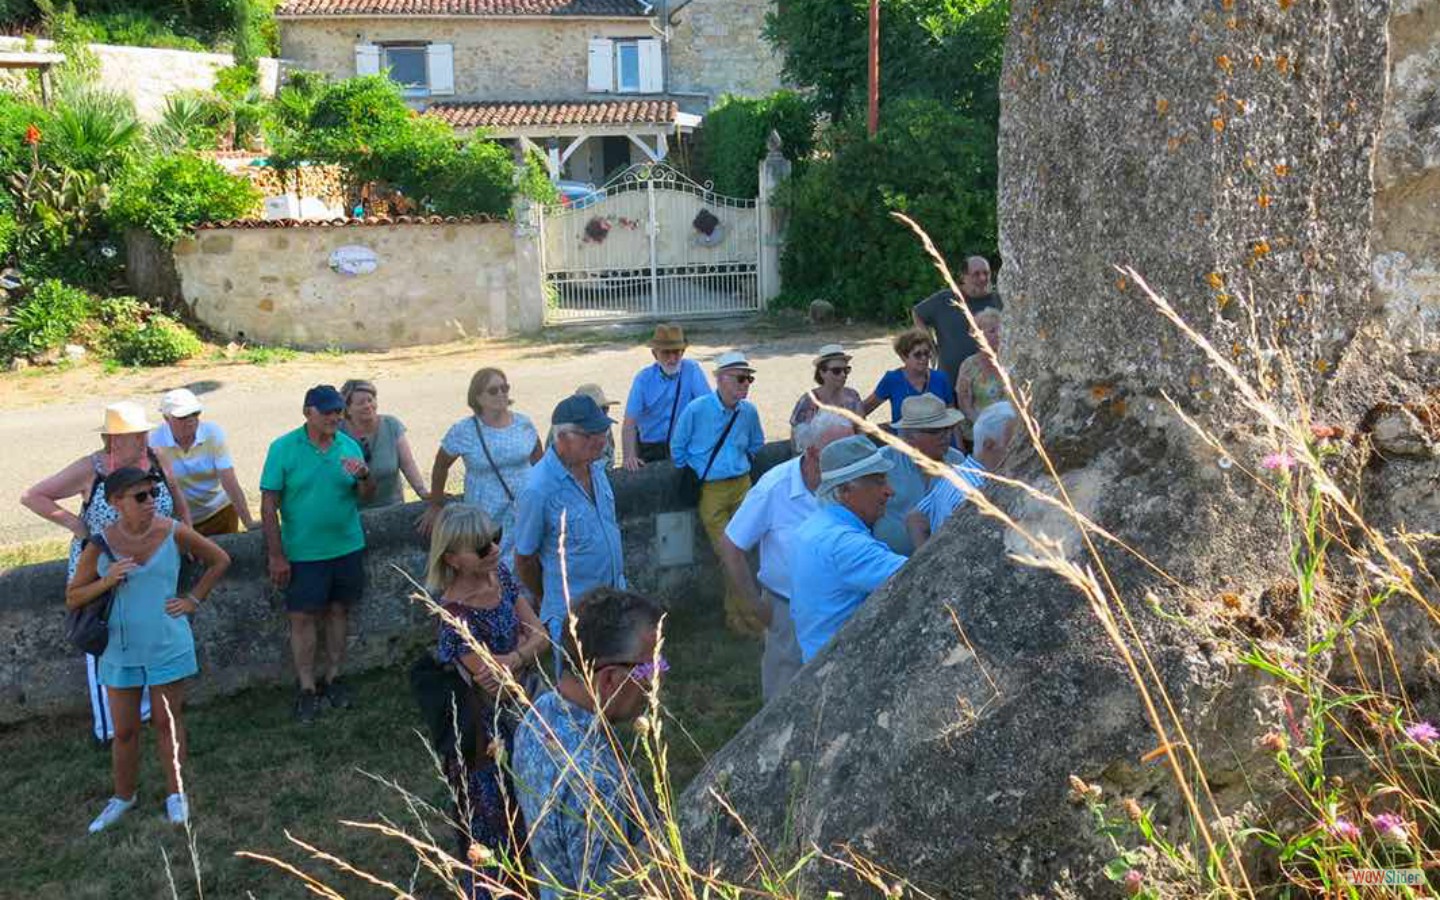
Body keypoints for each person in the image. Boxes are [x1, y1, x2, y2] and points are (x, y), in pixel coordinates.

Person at [66, 466, 230, 832]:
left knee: (166, 723)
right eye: (141, 496)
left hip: (167, 643)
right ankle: (123, 797)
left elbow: (220, 560)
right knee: (123, 731)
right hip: (120, 650)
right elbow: (73, 595)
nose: (151, 502)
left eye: (154, 494)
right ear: (115, 502)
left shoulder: (172, 530)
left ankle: (176, 794)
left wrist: (193, 600)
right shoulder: (100, 544)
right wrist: (107, 581)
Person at [21, 400, 191, 744]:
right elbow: (33, 496)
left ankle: (142, 716)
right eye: (134, 435)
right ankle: (112, 727)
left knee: (146, 637)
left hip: (149, 571)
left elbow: (177, 497)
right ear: (114, 440)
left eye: (143, 432)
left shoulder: (157, 459)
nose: (143, 439)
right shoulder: (90, 468)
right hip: (101, 572)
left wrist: (186, 533)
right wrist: (77, 525)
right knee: (105, 642)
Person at [422, 504, 546, 896]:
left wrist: (516, 657)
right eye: (481, 546)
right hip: (486, 739)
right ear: (453, 559)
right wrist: (524, 652)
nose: (493, 549)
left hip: (523, 719)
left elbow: (542, 633)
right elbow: (495, 682)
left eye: (496, 537)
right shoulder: (452, 615)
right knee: (493, 824)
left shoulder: (502, 577)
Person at [512, 588, 664, 900]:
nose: (656, 681)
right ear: (608, 680)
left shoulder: (538, 714)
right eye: (651, 667)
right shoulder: (596, 785)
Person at [719, 411, 854, 701]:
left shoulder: (851, 482)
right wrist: (756, 607)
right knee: (784, 698)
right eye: (837, 454)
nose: (846, 462)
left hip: (842, 608)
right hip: (787, 609)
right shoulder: (774, 487)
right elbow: (731, 546)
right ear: (812, 451)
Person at [260, 384, 375, 724]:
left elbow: (367, 496)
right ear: (307, 412)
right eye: (327, 411)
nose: (334, 417)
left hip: (346, 546)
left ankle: (334, 677)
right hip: (304, 552)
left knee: (339, 611)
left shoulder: (348, 445)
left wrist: (365, 476)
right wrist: (276, 555)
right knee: (302, 617)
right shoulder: (283, 448)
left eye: (338, 411)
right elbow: (269, 506)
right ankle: (307, 687)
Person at [514, 395, 626, 659]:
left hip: (613, 599)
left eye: (603, 431)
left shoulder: (595, 468)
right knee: (579, 688)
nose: (600, 440)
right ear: (562, 438)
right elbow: (524, 559)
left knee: (615, 680)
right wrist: (550, 600)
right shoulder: (538, 488)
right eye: (589, 434)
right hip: (572, 613)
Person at [671, 350, 766, 637]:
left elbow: (756, 442)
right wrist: (700, 469)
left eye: (749, 379)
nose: (746, 384)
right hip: (711, 490)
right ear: (721, 379)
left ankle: (738, 616)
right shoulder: (697, 410)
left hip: (742, 484)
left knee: (744, 554)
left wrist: (738, 464)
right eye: (741, 378)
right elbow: (678, 448)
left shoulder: (748, 412)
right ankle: (748, 618)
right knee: (729, 554)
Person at [790, 436, 907, 662]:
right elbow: (922, 576)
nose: (889, 491)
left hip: (818, 664)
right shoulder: (846, 544)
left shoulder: (812, 528)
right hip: (845, 671)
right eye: (878, 481)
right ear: (845, 491)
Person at [423, 368, 543, 568]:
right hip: (485, 517)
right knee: (491, 568)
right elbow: (440, 466)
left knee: (528, 566)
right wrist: (436, 504)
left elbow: (540, 463)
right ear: (478, 397)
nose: (502, 393)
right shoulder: (464, 431)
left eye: (504, 388)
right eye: (493, 390)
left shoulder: (524, 423)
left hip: (524, 511)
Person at [908, 401, 1017, 549]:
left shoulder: (956, 473)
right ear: (988, 445)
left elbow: (916, 518)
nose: (1019, 451)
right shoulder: (978, 492)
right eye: (1013, 445)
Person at [149, 388, 256, 536]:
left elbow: (229, 480)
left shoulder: (212, 433)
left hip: (219, 512)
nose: (191, 420)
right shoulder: (154, 442)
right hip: (180, 521)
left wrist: (248, 521)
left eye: (195, 413)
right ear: (166, 418)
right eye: (183, 416)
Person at [872, 394, 969, 555]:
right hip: (889, 562)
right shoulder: (882, 463)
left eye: (948, 428)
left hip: (941, 559)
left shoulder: (956, 461)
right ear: (909, 437)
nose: (946, 436)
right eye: (936, 431)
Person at [621, 323, 710, 470]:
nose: (673, 358)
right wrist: (629, 456)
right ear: (655, 354)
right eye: (666, 353)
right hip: (651, 448)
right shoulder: (643, 379)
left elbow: (708, 408)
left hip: (684, 445)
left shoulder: (692, 370)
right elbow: (629, 424)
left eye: (677, 352)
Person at [911, 255, 1004, 388]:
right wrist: (929, 345)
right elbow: (918, 313)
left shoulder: (999, 301)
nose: (982, 278)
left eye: (986, 273)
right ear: (963, 277)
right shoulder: (946, 299)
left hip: (988, 386)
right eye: (976, 274)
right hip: (949, 379)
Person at [338, 379, 429, 509]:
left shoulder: (391, 425)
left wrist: (422, 492)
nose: (368, 405)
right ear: (348, 409)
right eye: (360, 403)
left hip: (392, 506)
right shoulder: (337, 432)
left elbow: (408, 464)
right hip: (351, 512)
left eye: (370, 400)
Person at [861, 329, 956, 426]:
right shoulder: (892, 380)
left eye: (927, 353)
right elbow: (863, 409)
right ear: (903, 357)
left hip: (939, 439)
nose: (924, 358)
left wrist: (958, 441)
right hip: (904, 439)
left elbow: (952, 416)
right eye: (917, 355)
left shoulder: (940, 378)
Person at [789, 344, 864, 447]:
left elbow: (861, 431)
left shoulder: (852, 397)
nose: (843, 375)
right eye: (836, 371)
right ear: (822, 372)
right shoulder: (808, 400)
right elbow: (796, 439)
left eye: (846, 370)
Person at [953, 309, 1006, 446]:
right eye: (992, 331)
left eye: (1001, 330)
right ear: (978, 336)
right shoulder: (969, 366)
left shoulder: (1011, 361)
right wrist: (987, 429)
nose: (999, 335)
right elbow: (965, 405)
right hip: (981, 431)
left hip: (1011, 431)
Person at [547, 383, 618, 469]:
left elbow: (610, 457)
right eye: (598, 409)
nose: (603, 413)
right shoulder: (563, 428)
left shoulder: (603, 424)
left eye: (605, 408)